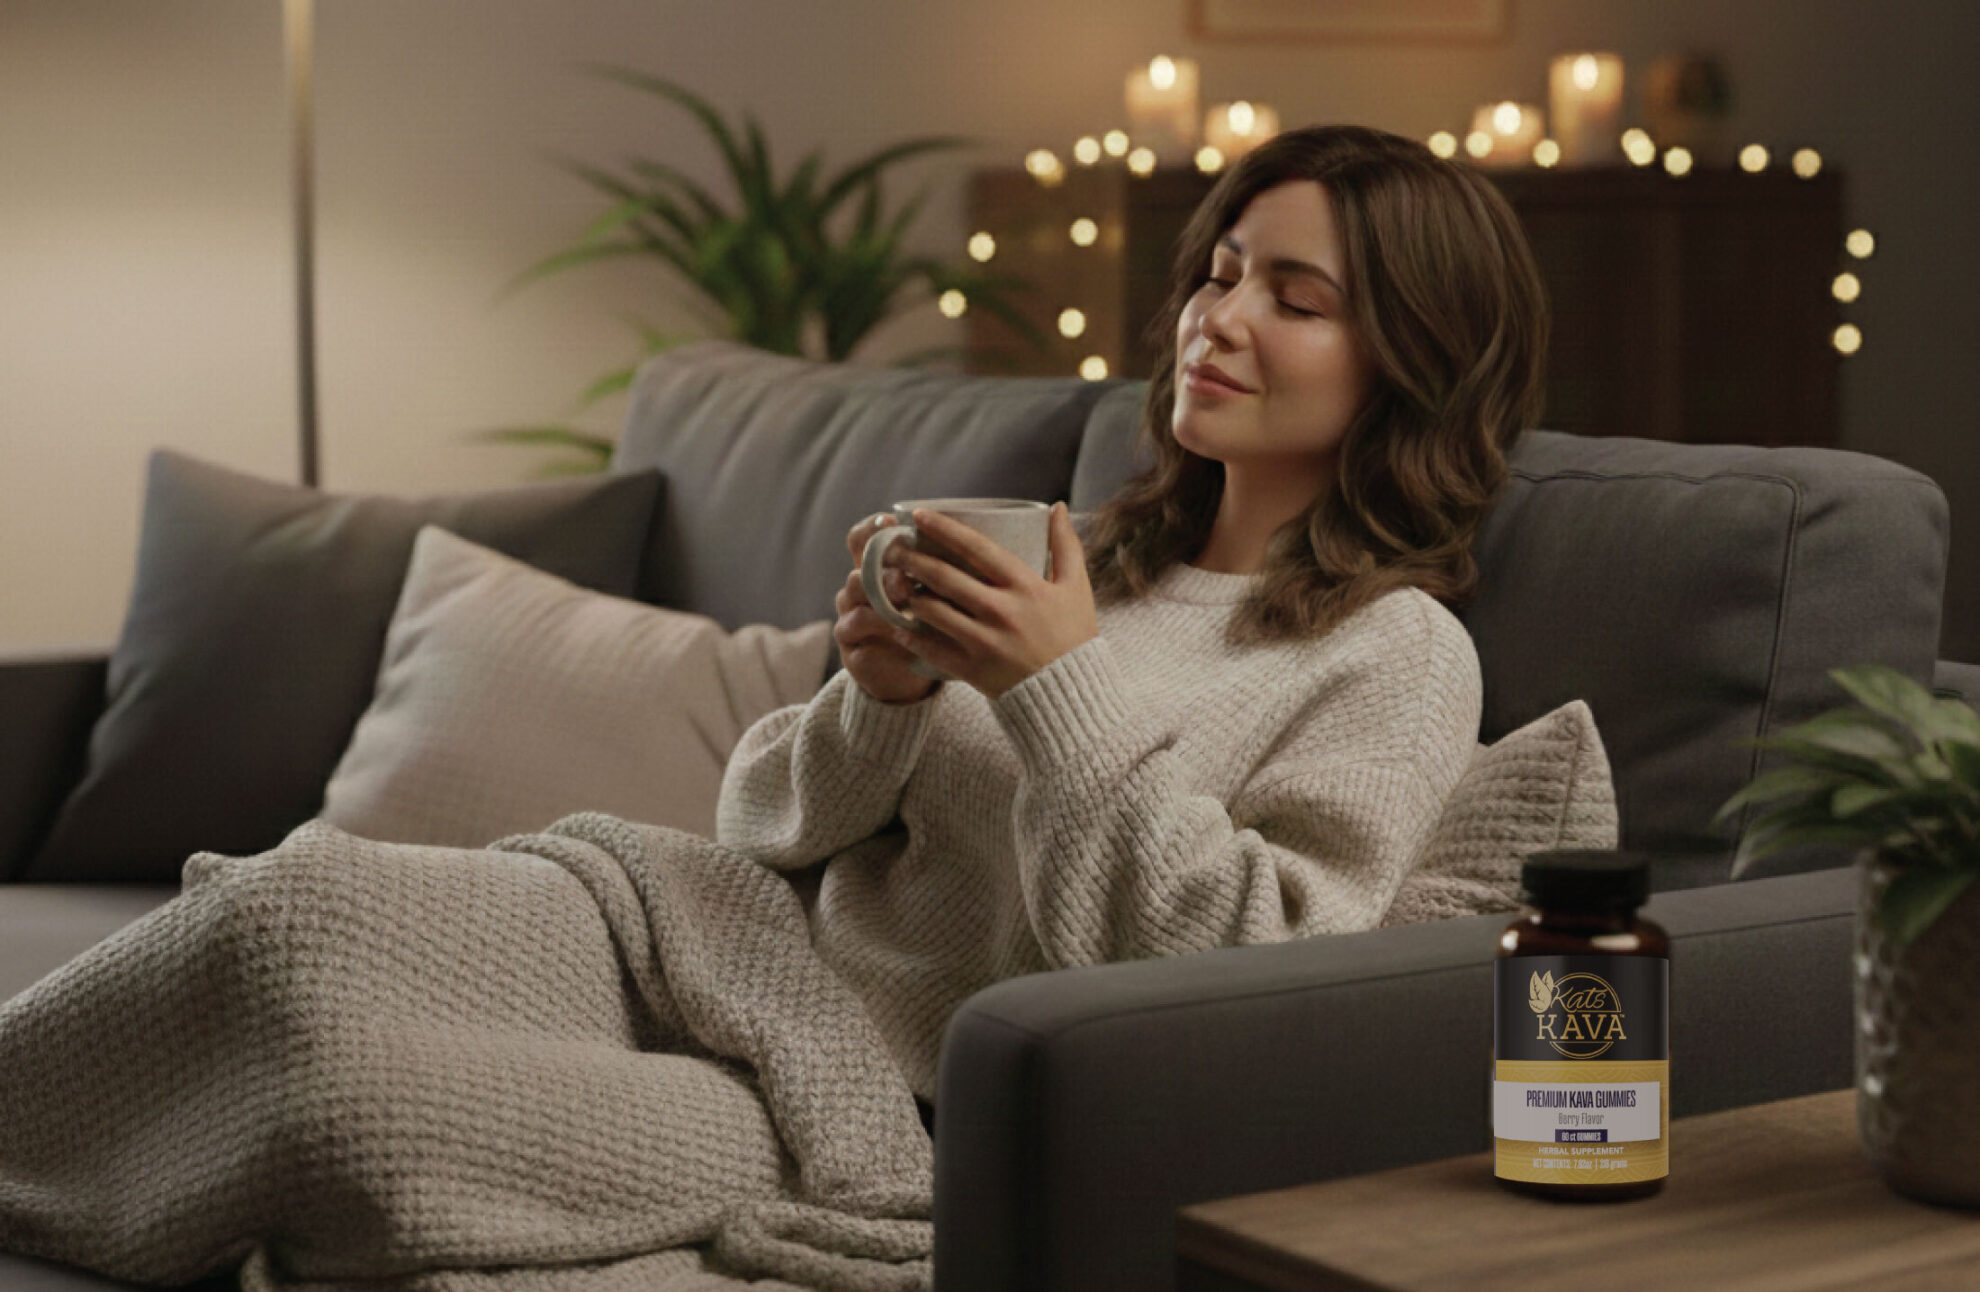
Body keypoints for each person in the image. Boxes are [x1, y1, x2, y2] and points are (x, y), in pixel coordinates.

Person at [715, 123, 1550, 1105]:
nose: (1219, 320)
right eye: (1220, 276)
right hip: (744, 967)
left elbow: (1253, 966)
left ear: (1413, 366)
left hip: (870, 1089)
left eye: (1295, 301)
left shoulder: (1397, 654)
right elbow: (761, 825)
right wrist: (881, 700)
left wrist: (1057, 689)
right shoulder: (1078, 564)